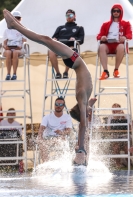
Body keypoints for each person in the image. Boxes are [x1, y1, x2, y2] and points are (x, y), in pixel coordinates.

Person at [3, 9, 93, 165]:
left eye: (86, 111)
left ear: (82, 109)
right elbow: (92, 105)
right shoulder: (86, 100)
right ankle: (15, 25)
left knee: (44, 39)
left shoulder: (81, 96)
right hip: (73, 61)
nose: (89, 112)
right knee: (45, 40)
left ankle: (15, 26)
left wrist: (81, 149)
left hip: (74, 60)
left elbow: (83, 124)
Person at [97, 4, 132, 80]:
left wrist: (125, 37)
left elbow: (130, 35)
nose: (116, 12)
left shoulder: (126, 24)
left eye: (118, 11)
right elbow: (98, 36)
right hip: (108, 44)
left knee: (121, 46)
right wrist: (101, 37)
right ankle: (105, 71)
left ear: (121, 12)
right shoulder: (105, 24)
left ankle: (116, 70)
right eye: (114, 11)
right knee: (101, 46)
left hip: (119, 44)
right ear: (112, 12)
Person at [48, 9, 84, 79]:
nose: (69, 16)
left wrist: (75, 39)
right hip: (59, 47)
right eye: (67, 15)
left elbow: (81, 40)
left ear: (74, 16)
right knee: (50, 51)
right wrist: (54, 39)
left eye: (70, 15)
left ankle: (66, 72)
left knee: (70, 50)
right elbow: (53, 38)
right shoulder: (60, 28)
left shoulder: (79, 28)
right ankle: (58, 73)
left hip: (70, 47)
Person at [37, 97, 73, 162]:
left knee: (62, 139)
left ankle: (62, 163)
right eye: (57, 104)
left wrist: (62, 132)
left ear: (63, 106)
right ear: (54, 105)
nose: (58, 106)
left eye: (61, 105)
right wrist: (40, 137)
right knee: (42, 144)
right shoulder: (47, 117)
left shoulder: (67, 117)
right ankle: (46, 164)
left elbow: (69, 130)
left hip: (60, 138)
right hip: (48, 138)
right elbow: (41, 128)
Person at [3, 11, 27, 80]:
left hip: (19, 49)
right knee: (8, 52)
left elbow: (24, 41)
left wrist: (21, 46)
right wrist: (5, 47)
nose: (16, 20)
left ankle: (14, 74)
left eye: (18, 18)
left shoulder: (23, 29)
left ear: (20, 19)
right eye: (15, 18)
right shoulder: (7, 30)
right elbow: (4, 43)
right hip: (9, 49)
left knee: (15, 52)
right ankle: (8, 74)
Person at [108, 103, 131, 168]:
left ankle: (129, 163)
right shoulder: (110, 117)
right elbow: (109, 129)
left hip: (125, 136)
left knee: (127, 149)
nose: (114, 111)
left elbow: (130, 128)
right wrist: (115, 118)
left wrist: (123, 117)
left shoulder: (126, 116)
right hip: (115, 136)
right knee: (116, 148)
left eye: (116, 110)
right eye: (113, 110)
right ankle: (118, 164)